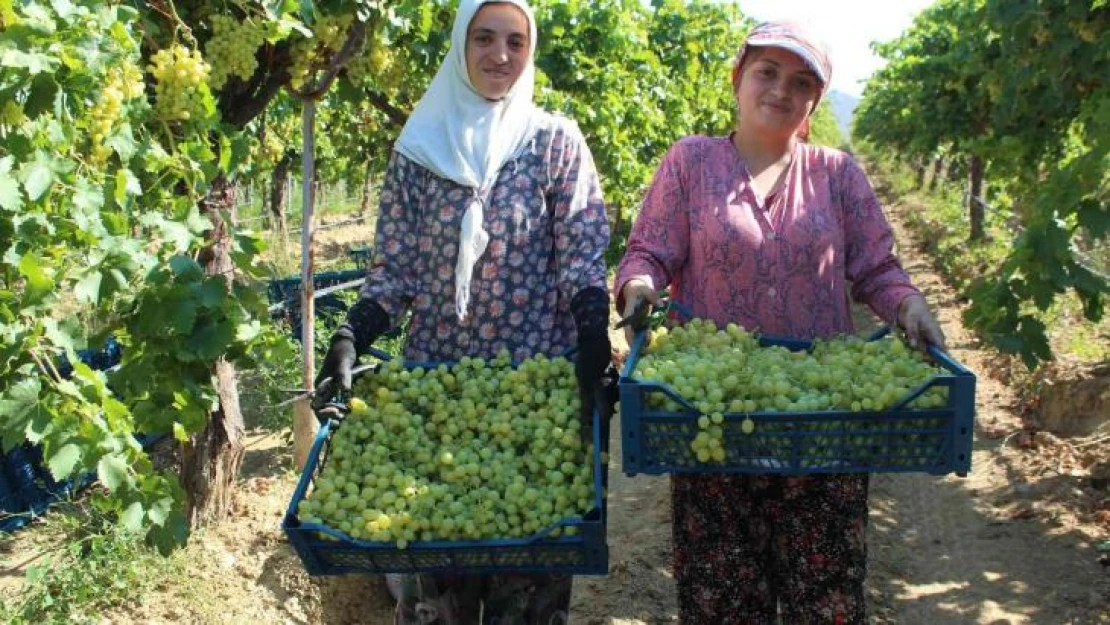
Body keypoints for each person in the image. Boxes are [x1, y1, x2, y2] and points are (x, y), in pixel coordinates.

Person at [614, 20, 946, 625]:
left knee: (826, 597)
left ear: (814, 101)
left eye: (800, 82)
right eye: (767, 72)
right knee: (721, 598)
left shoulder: (837, 174)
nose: (780, 90)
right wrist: (638, 287)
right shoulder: (690, 162)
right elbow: (649, 254)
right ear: (739, 78)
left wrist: (907, 304)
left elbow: (877, 267)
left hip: (821, 421)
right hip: (714, 423)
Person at [312, 0, 613, 622]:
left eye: (515, 41)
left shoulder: (554, 142)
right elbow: (393, 272)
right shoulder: (420, 151)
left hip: (536, 400)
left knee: (527, 591)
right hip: (434, 399)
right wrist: (351, 334)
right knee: (436, 594)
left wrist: (591, 337)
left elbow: (583, 260)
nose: (500, 55)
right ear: (459, 45)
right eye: (484, 38)